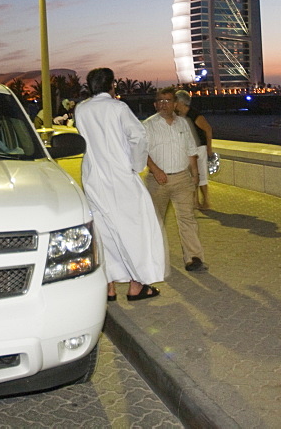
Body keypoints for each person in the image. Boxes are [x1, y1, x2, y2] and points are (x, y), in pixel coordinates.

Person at [74, 68, 166, 301]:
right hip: (120, 176)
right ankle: (137, 285)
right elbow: (139, 136)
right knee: (136, 229)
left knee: (103, 231)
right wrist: (135, 165)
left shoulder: (81, 109)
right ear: (112, 84)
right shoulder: (118, 108)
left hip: (94, 176)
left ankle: (109, 286)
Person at [144, 87, 207, 272]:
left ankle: (194, 258)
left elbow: (190, 151)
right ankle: (154, 259)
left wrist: (195, 175)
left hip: (182, 179)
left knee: (187, 219)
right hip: (157, 182)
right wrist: (155, 170)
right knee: (155, 221)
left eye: (168, 101)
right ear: (155, 104)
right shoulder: (147, 126)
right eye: (160, 101)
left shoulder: (183, 124)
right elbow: (141, 152)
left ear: (175, 104)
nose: (164, 105)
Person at [174, 89, 213, 210]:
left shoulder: (195, 115)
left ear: (181, 102)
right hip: (188, 150)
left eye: (176, 101)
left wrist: (209, 149)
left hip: (199, 148)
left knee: (201, 175)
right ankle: (195, 202)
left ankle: (205, 200)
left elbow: (208, 129)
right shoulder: (179, 116)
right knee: (192, 176)